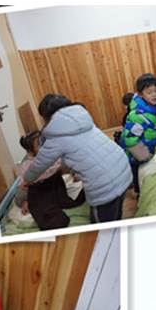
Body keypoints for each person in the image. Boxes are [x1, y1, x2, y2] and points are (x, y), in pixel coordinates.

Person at [21, 94, 132, 224]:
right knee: (116, 212)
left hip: (104, 184)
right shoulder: (83, 120)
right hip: (122, 170)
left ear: (46, 117)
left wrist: (27, 179)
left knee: (100, 224)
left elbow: (39, 163)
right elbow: (83, 154)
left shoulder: (56, 135)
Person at [15, 131, 85, 230]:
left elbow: (65, 165)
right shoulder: (28, 166)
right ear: (31, 152)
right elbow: (24, 186)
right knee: (53, 220)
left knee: (74, 200)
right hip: (40, 195)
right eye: (40, 144)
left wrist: (74, 173)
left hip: (57, 189)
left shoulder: (53, 156)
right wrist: (24, 201)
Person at [120, 73, 156, 196]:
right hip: (137, 153)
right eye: (149, 92)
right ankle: (138, 192)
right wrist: (143, 155)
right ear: (140, 94)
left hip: (150, 146)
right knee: (138, 174)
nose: (154, 95)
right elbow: (130, 140)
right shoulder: (137, 115)